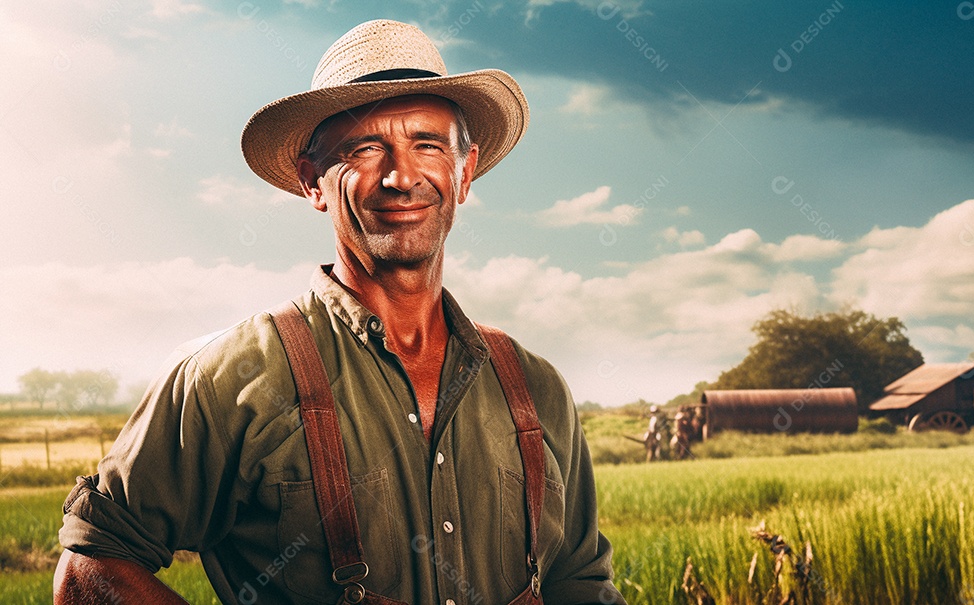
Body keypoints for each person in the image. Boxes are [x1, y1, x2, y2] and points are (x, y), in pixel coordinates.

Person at [54, 19, 625, 605]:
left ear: (465, 171)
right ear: (313, 182)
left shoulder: (536, 387)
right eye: (364, 148)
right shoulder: (229, 379)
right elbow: (90, 569)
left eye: (427, 144)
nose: (402, 177)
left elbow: (578, 582)